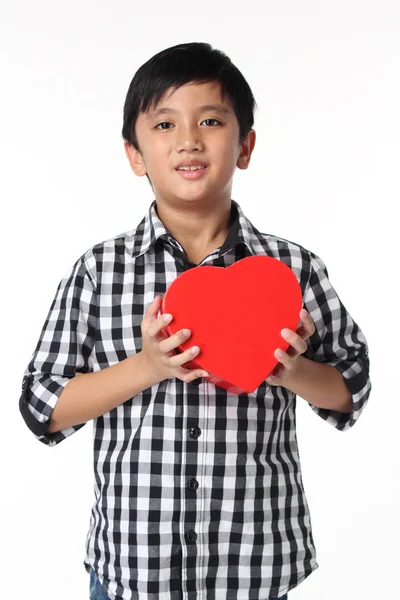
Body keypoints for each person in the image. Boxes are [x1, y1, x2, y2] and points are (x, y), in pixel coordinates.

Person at [19, 42, 371, 600]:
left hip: (256, 569)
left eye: (210, 119)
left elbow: (352, 388)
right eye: (163, 123)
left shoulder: (294, 269)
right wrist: (148, 365)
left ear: (246, 145)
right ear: (134, 154)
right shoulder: (98, 271)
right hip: (132, 572)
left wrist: (289, 371)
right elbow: (41, 406)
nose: (188, 139)